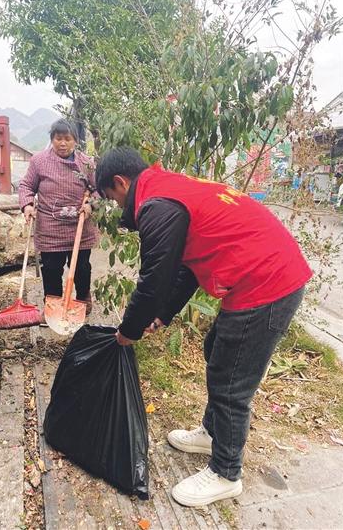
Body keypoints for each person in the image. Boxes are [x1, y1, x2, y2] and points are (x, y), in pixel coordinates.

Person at [95, 147, 312, 507]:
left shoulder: (157, 204)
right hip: (260, 276)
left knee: (231, 382)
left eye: (112, 199)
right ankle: (213, 434)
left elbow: (153, 281)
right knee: (217, 350)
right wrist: (163, 315)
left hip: (268, 282)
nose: (119, 208)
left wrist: (128, 332)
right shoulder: (169, 188)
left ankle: (226, 473)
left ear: (120, 182)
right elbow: (187, 265)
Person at [19, 119, 99, 316]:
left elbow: (98, 190)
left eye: (67, 139)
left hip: (80, 227)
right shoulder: (39, 161)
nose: (62, 143)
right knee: (52, 269)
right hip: (50, 228)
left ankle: (82, 299)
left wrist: (90, 205)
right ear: (52, 139)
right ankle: (53, 304)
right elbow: (26, 186)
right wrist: (27, 204)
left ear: (75, 141)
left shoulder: (86, 163)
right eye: (58, 139)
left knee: (81, 267)